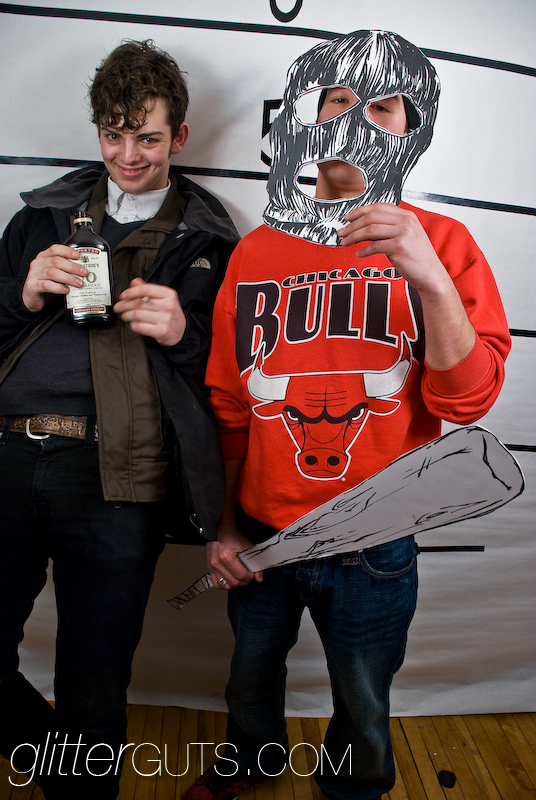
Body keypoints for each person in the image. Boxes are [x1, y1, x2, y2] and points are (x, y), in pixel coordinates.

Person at [185, 30, 511, 800]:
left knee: (363, 702)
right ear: (309, 120)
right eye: (339, 100)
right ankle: (253, 759)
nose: (359, 119)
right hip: (262, 529)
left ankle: (354, 791)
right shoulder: (256, 252)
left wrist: (429, 278)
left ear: (412, 130)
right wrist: (226, 525)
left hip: (375, 541)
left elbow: (467, 401)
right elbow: (231, 404)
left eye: (384, 106)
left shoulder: (446, 244)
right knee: (247, 678)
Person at [0, 39, 238, 799]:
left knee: (94, 681)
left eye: (148, 138)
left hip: (117, 470)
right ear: (98, 131)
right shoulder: (38, 218)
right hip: (9, 453)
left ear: (180, 136)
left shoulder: (213, 240)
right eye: (114, 135)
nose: (129, 156)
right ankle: (65, 771)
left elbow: (237, 378)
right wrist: (22, 293)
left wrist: (185, 333)